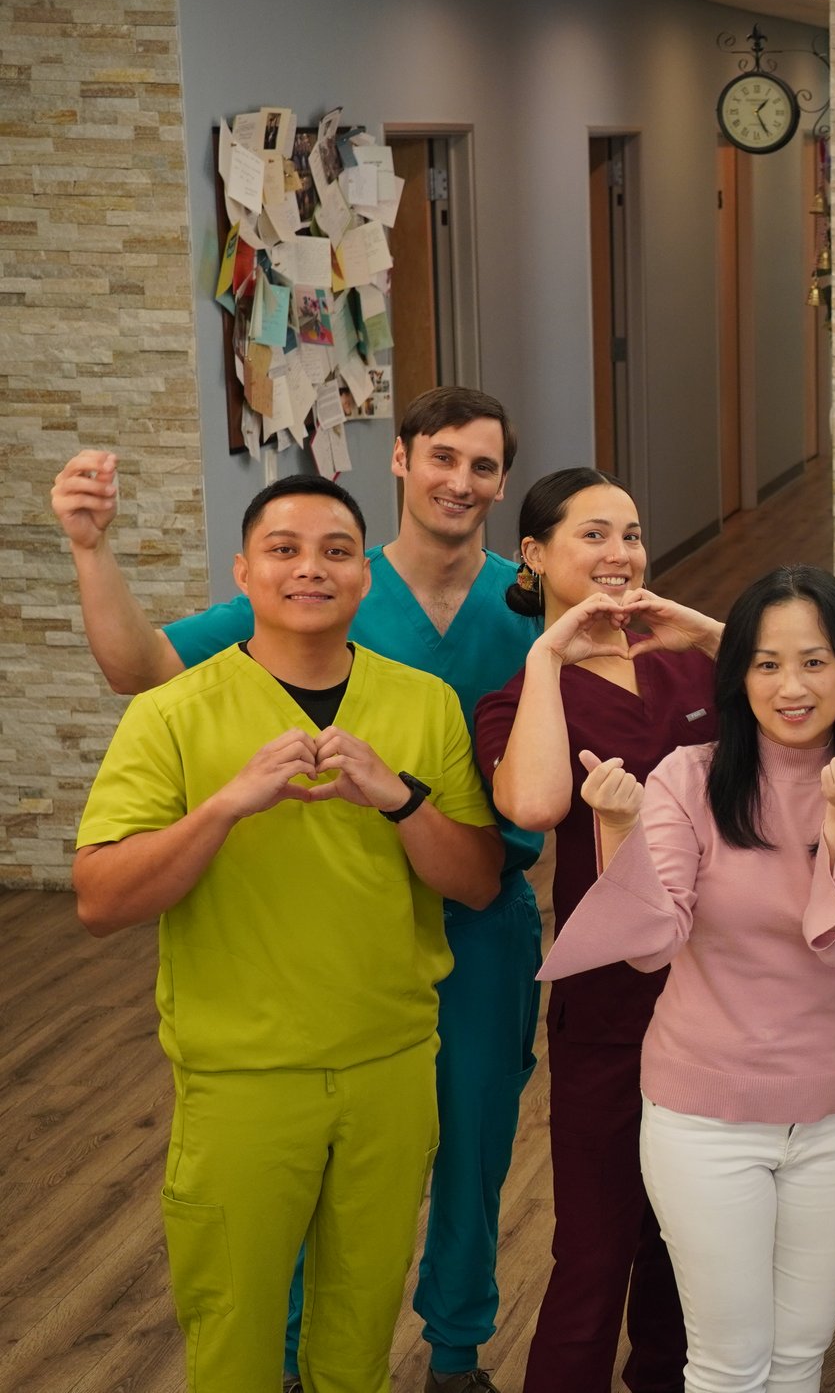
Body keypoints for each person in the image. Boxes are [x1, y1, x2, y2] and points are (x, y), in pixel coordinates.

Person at [51, 387, 541, 1393]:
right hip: (281, 990)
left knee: (470, 1149)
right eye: (440, 456)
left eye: (483, 466)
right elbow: (138, 671)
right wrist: (90, 551)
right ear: (399, 461)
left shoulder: (521, 608)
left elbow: (505, 833)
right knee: (265, 1238)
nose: (460, 480)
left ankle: (455, 1349)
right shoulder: (253, 645)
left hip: (461, 928)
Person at [540, 566, 835, 1393]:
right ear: (737, 675)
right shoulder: (687, 776)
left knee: (799, 1359)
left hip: (834, 1115)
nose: (791, 686)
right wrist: (618, 828)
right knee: (726, 1363)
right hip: (703, 1116)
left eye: (815, 661)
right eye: (766, 663)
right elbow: (649, 941)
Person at [474, 468, 725, 1393]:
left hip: (718, 986)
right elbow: (536, 802)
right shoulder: (517, 694)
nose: (620, 553)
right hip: (612, 998)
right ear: (533, 556)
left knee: (685, 1243)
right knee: (595, 1246)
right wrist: (549, 656)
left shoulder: (691, 663)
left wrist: (705, 630)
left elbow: (806, 719)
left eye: (631, 532)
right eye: (593, 535)